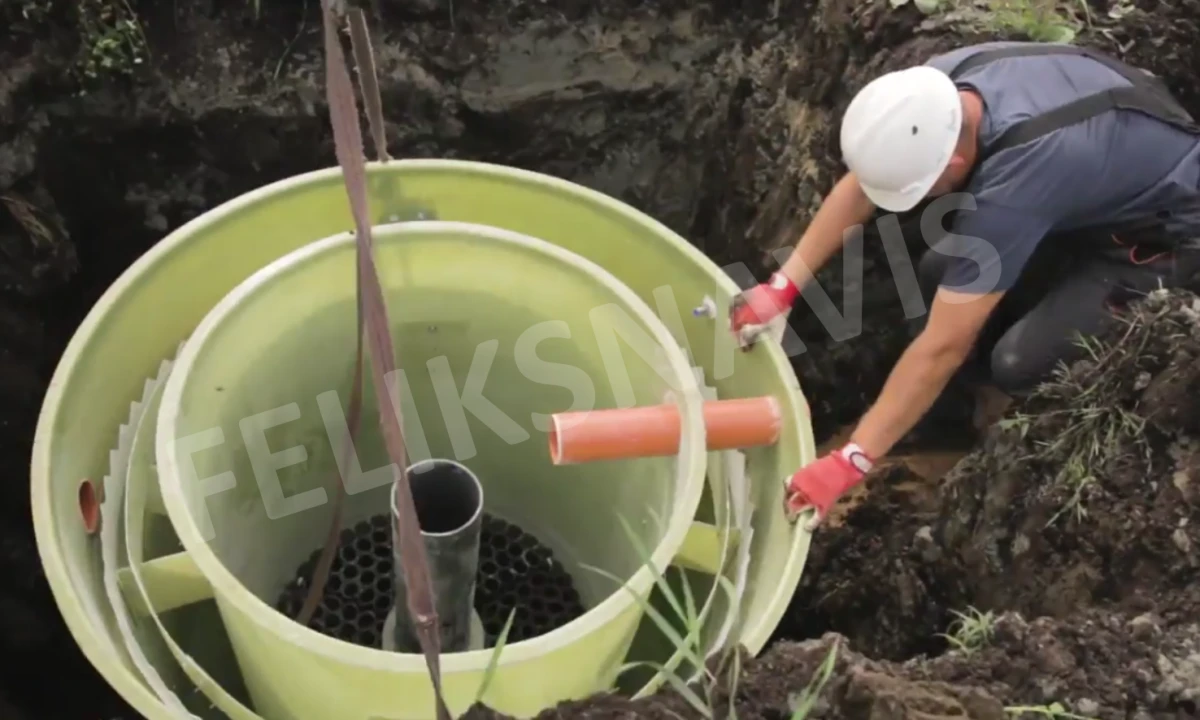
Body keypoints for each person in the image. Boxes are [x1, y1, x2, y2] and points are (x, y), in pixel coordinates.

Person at [730, 41, 1200, 529]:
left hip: (1160, 237)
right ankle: (943, 424)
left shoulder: (1017, 182)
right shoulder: (941, 87)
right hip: (1094, 189)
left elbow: (943, 347)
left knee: (1019, 361)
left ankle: (1015, 438)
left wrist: (849, 461)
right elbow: (861, 186)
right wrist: (781, 289)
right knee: (938, 274)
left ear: (952, 166)